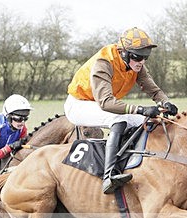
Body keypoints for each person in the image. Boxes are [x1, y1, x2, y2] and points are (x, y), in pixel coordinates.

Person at [65, 27, 178, 194]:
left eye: (145, 57)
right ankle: (109, 176)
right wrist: (141, 109)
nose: (142, 61)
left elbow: (153, 89)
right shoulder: (104, 63)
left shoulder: (135, 65)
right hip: (79, 104)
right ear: (124, 52)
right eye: (138, 57)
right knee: (119, 120)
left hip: (101, 103)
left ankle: (133, 164)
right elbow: (106, 103)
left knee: (146, 122)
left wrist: (165, 102)